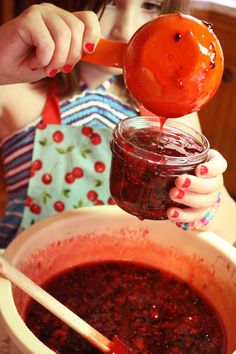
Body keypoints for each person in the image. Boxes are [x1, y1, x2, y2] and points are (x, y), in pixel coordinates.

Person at [0, 0, 235, 249]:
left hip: (125, 268)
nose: (125, 30)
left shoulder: (175, 116)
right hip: (19, 267)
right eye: (111, 2)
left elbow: (230, 227)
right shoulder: (14, 90)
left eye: (150, 5)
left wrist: (204, 203)